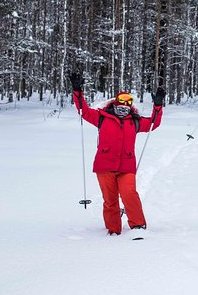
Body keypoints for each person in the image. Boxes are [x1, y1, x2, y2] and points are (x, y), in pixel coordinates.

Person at [69, 71, 166, 238]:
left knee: (130, 194)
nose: (125, 105)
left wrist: (158, 105)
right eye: (122, 101)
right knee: (110, 199)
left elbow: (153, 124)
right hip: (105, 165)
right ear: (116, 102)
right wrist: (77, 90)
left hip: (126, 166)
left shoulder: (134, 121)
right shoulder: (102, 117)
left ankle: (138, 226)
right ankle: (114, 230)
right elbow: (83, 111)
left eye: (129, 102)